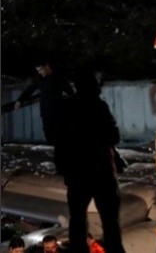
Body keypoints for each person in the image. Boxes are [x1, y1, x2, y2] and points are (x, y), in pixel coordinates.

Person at [52, 68, 126, 253]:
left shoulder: (67, 107)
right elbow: (113, 136)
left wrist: (63, 167)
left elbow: (59, 141)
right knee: (110, 221)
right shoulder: (99, 106)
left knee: (77, 219)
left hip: (77, 173)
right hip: (101, 172)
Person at [13, 56, 75, 144]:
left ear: (47, 66)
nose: (40, 72)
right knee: (47, 131)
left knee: (58, 132)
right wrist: (20, 100)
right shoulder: (39, 78)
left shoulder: (57, 76)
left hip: (58, 109)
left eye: (41, 70)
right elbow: (30, 89)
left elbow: (69, 91)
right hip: (45, 109)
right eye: (38, 70)